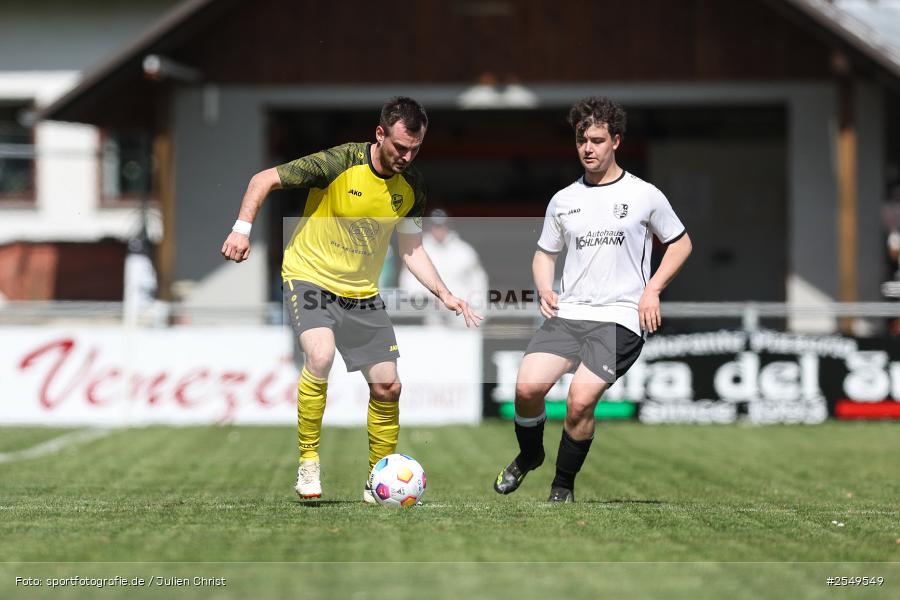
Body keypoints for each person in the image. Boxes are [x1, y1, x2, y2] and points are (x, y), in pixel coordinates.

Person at [221, 97, 483, 502]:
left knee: (388, 387)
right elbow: (263, 179)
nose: (406, 156)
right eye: (400, 147)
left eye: (415, 149)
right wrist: (242, 229)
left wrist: (445, 293)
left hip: (361, 293)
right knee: (321, 356)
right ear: (380, 134)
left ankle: (377, 481)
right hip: (309, 278)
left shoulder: (412, 186)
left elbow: (411, 247)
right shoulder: (340, 162)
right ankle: (308, 462)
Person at [493, 96, 692, 502]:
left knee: (579, 400)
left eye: (597, 140)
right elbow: (544, 253)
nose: (588, 148)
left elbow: (681, 243)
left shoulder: (644, 195)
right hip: (569, 312)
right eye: (582, 140)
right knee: (527, 388)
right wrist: (545, 288)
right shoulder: (563, 200)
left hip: (619, 317)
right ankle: (529, 455)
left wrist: (652, 289)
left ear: (616, 141)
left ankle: (562, 485)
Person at [398, 208, 488, 327]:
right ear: (429, 227)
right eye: (435, 226)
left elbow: (479, 283)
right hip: (429, 320)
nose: (439, 230)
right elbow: (408, 284)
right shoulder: (417, 250)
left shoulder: (464, 251)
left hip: (461, 319)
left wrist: (478, 313)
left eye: (442, 226)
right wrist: (430, 300)